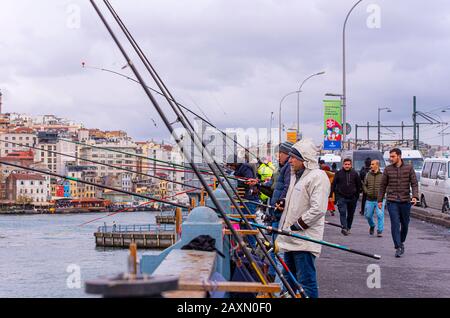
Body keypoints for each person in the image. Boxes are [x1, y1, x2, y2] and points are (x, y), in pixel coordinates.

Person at [276, 139, 330, 298]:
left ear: (304, 159)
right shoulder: (295, 175)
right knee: (288, 281)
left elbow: (318, 209)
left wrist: (296, 226)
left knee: (305, 282)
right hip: (290, 238)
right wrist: (283, 203)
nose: (290, 160)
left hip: (304, 240)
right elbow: (297, 201)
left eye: (293, 157)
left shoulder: (317, 177)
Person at [378, 148, 419, 258]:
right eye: (390, 157)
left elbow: (414, 183)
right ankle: (398, 246)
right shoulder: (387, 169)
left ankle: (401, 241)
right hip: (392, 201)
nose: (391, 159)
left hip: (405, 201)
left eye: (393, 156)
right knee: (395, 224)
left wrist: (415, 196)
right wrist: (380, 200)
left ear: (399, 156)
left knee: (405, 224)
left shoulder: (409, 168)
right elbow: (382, 186)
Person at [263, 141, 293, 282]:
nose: (278, 156)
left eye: (279, 153)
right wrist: (258, 184)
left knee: (278, 249)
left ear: (286, 154)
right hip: (276, 213)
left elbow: (287, 187)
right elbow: (274, 188)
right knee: (276, 247)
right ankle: (273, 274)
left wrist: (282, 201)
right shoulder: (283, 168)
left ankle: (279, 285)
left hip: (279, 214)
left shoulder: (287, 168)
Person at [331, 158, 361, 235]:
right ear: (343, 165)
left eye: (348, 164)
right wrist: (332, 195)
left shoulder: (355, 173)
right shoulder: (338, 173)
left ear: (351, 165)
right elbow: (333, 184)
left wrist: (356, 196)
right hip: (341, 197)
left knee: (351, 214)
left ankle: (348, 227)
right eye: (345, 164)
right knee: (343, 212)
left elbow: (358, 185)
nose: (347, 166)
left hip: (352, 197)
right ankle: (344, 227)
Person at [362, 160, 385, 237]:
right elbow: (364, 185)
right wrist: (366, 191)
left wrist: (385, 193)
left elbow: (387, 185)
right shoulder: (368, 174)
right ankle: (372, 225)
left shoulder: (383, 175)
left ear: (377, 165)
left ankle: (380, 231)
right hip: (370, 199)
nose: (371, 165)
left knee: (380, 214)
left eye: (372, 164)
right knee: (368, 215)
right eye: (371, 164)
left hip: (380, 199)